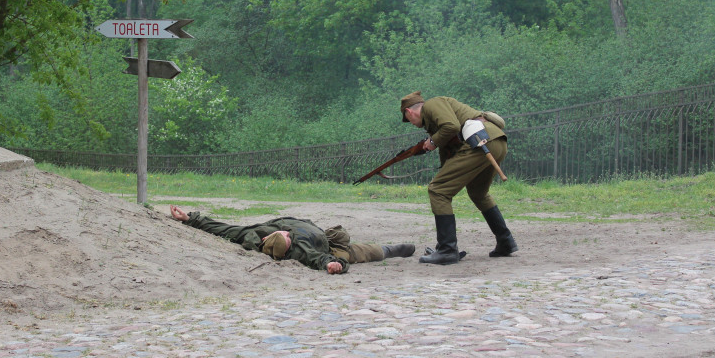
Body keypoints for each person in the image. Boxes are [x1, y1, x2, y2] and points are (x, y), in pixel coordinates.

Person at [399, 90, 517, 265]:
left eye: (408, 119)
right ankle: (506, 241)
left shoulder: (432, 104)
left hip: (480, 142)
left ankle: (447, 250)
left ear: (409, 112)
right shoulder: (434, 119)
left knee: (438, 190)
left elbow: (451, 126)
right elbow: (450, 145)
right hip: (496, 141)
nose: (411, 123)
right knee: (479, 193)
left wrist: (432, 142)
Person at [169, 205, 415, 274]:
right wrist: (332, 265)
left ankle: (391, 249)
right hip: (328, 245)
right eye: (286, 238)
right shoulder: (299, 250)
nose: (285, 234)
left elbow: (225, 228)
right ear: (287, 245)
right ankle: (390, 250)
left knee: (343, 241)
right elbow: (318, 258)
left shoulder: (259, 232)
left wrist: (190, 218)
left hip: (319, 232)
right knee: (356, 252)